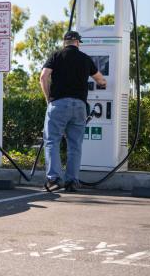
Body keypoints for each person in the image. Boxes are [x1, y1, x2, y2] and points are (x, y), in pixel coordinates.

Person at [39, 31, 106, 192]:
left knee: (52, 141)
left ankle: (54, 179)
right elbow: (100, 79)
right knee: (75, 145)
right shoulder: (85, 58)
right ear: (77, 42)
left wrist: (48, 98)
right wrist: (102, 84)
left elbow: (43, 77)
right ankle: (72, 182)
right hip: (80, 107)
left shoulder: (55, 56)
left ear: (65, 42)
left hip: (58, 104)